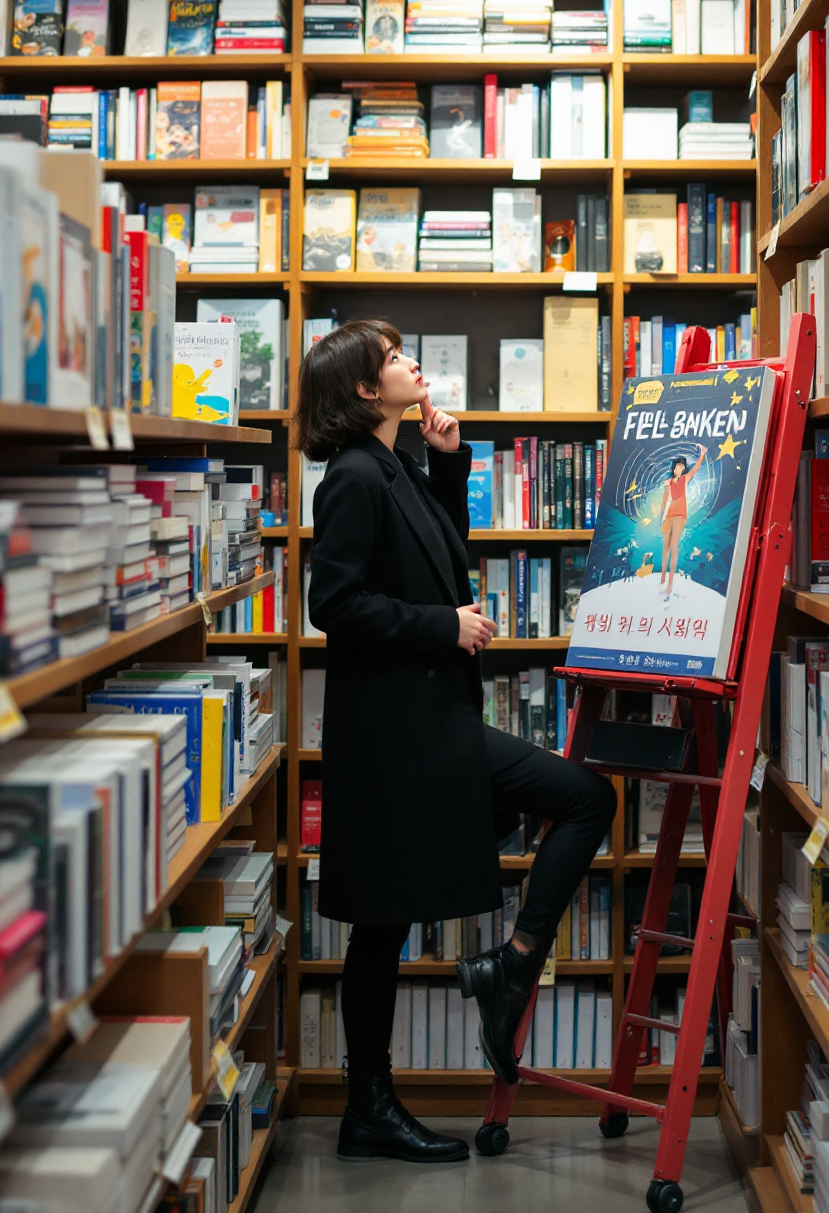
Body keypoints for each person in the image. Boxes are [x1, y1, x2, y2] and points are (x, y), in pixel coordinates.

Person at [294, 318, 616, 1164]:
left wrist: (447, 463)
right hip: (396, 739)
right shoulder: (351, 477)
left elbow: (446, 560)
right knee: (384, 923)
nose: (411, 364)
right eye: (394, 358)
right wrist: (445, 627)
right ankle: (374, 1102)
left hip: (427, 728)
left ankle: (505, 967)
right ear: (366, 389)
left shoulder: (395, 464)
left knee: (388, 921)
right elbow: (335, 605)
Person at [658, 445, 707, 598]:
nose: (678, 468)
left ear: (684, 468)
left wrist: (702, 454)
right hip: (668, 516)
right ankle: (663, 576)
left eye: (681, 466)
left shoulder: (685, 479)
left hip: (680, 516)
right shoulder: (668, 482)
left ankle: (670, 584)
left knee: (673, 545)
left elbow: (696, 469)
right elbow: (664, 501)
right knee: (665, 545)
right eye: (677, 466)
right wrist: (661, 517)